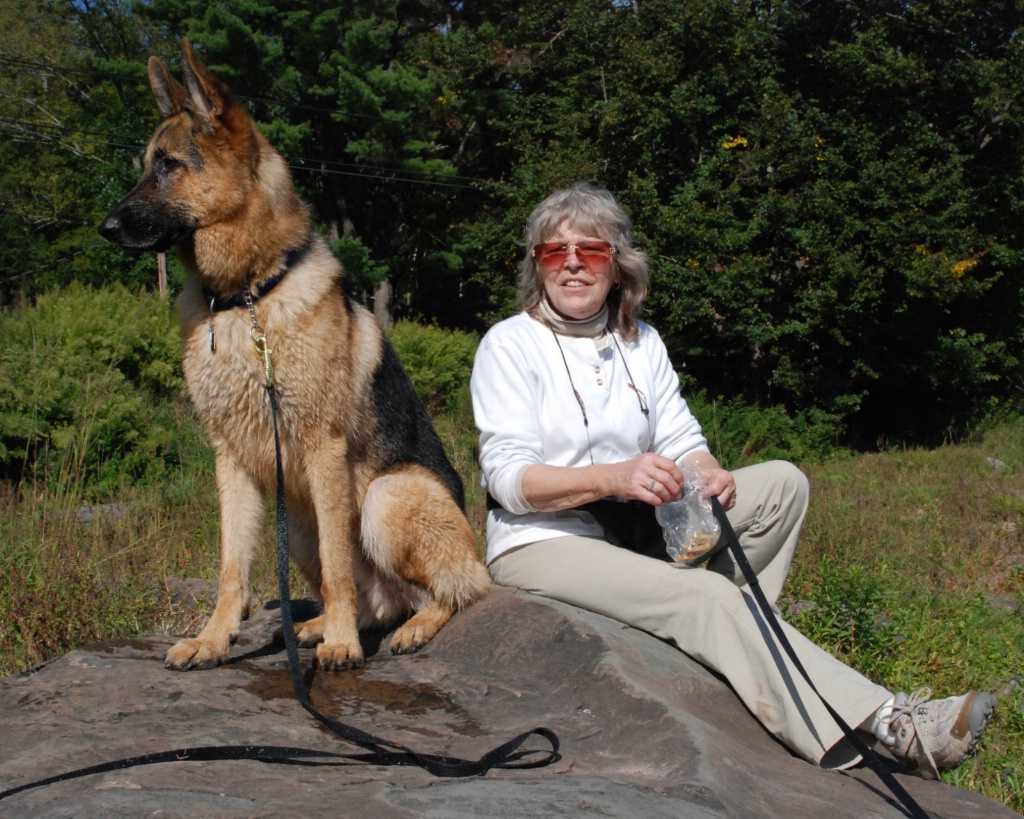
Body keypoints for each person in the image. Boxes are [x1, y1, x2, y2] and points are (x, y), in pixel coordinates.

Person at [470, 180, 996, 779]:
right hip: (546, 542)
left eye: (589, 250)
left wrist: (709, 474)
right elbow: (510, 480)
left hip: (637, 526)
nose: (571, 265)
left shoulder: (640, 341)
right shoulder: (509, 345)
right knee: (710, 595)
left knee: (782, 484)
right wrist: (613, 476)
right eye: (552, 252)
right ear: (537, 267)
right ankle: (893, 725)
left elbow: (682, 440)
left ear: (617, 266)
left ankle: (739, 653)